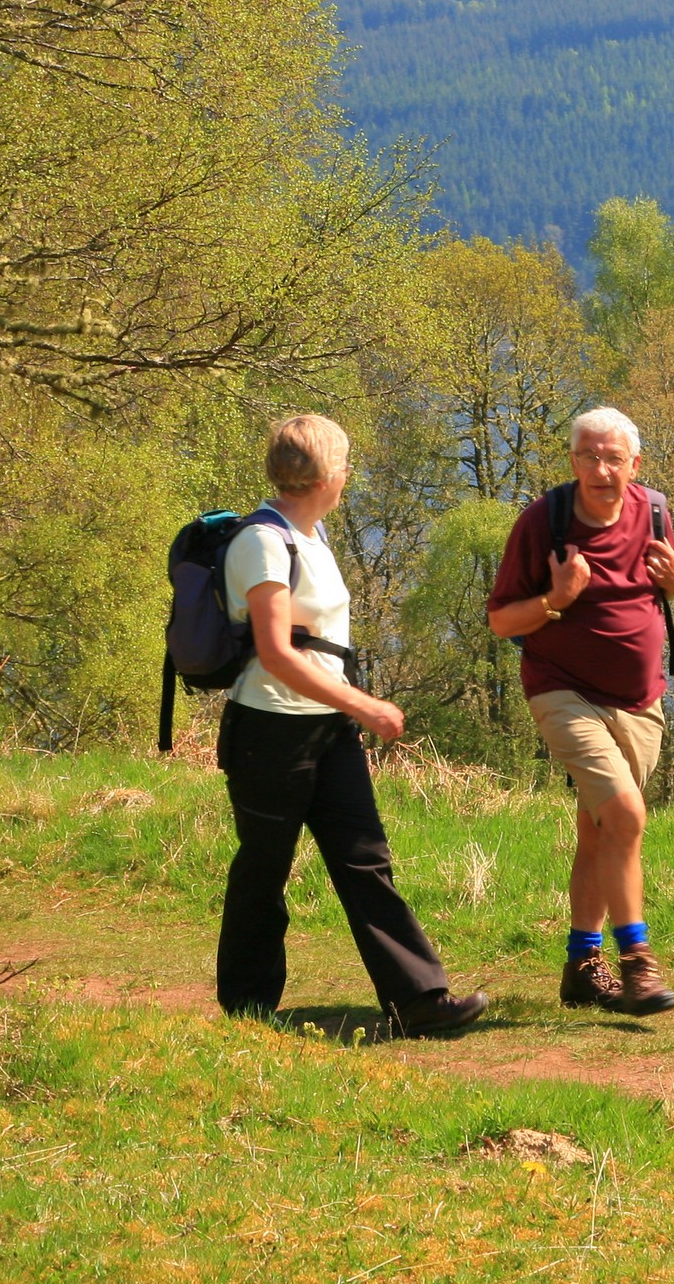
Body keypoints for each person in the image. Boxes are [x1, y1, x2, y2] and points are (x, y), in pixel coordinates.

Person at [217, 413, 487, 1038]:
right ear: (326, 474)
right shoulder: (262, 541)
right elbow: (277, 652)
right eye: (344, 465)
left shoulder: (310, 536)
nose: (348, 475)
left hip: (326, 731)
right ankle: (248, 1009)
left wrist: (344, 711)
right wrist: (361, 704)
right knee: (265, 866)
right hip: (270, 730)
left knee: (365, 860)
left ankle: (419, 1000)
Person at [486, 406, 674, 1014]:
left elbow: (662, 587)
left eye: (613, 458)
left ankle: (581, 964)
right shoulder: (542, 522)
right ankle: (639, 963)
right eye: (588, 457)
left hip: (641, 701)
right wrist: (556, 599)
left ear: (635, 463)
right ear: (572, 459)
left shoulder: (653, 511)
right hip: (561, 690)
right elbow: (501, 621)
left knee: (600, 829)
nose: (600, 469)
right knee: (625, 814)